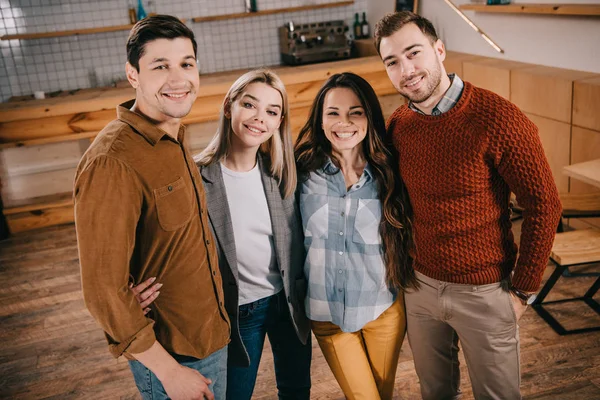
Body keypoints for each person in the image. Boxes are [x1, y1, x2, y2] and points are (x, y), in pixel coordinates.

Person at [374, 11, 563, 400]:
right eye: (392, 61)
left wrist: (523, 291)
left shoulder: (499, 119)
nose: (406, 69)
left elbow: (544, 204)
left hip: (485, 292)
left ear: (439, 50)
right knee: (436, 393)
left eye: (414, 53)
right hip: (420, 289)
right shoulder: (397, 127)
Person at [73, 15, 230, 400]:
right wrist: (169, 373)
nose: (179, 80)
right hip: (174, 358)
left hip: (210, 335)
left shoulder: (171, 134)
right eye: (160, 66)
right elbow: (104, 292)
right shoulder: (113, 160)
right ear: (133, 75)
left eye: (186, 64)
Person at [137, 69, 312, 399]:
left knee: (296, 388)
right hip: (241, 309)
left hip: (289, 304)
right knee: (235, 394)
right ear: (229, 106)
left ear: (279, 122)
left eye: (272, 112)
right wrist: (135, 288)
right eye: (250, 104)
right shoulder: (196, 177)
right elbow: (164, 240)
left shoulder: (282, 174)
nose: (259, 118)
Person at [294, 72, 416, 400]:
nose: (343, 122)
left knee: (382, 394)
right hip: (326, 314)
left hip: (383, 310)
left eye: (355, 112)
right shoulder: (301, 173)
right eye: (333, 112)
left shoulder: (391, 171)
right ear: (319, 120)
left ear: (369, 118)